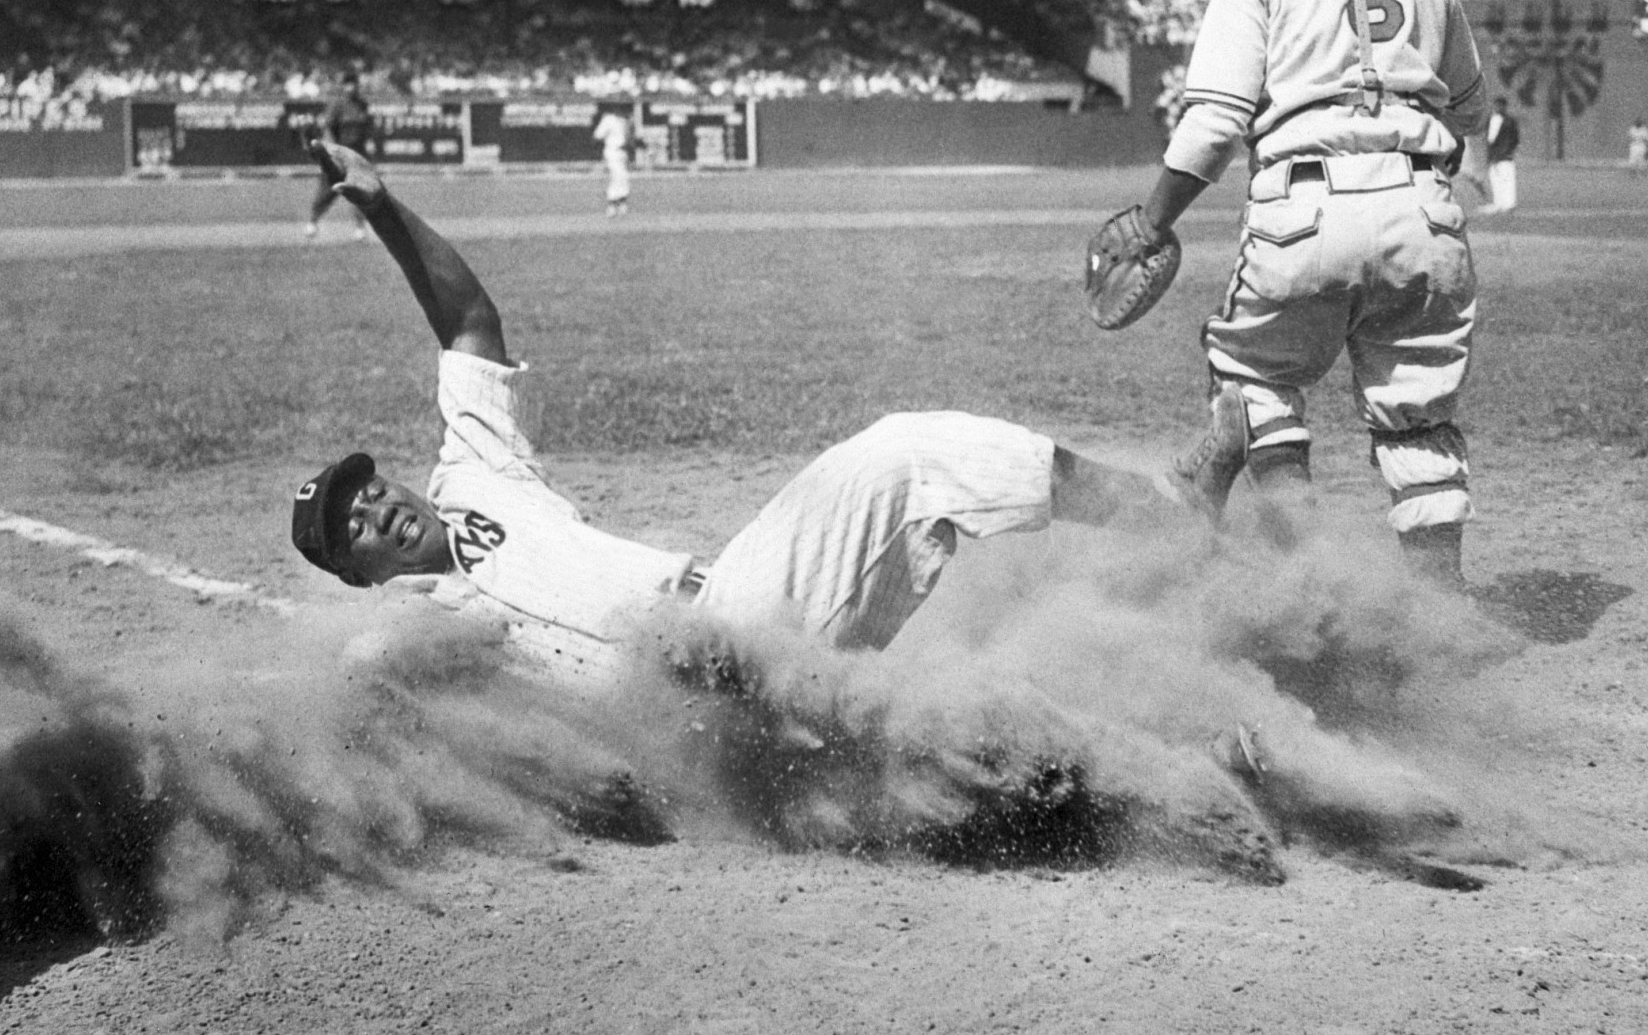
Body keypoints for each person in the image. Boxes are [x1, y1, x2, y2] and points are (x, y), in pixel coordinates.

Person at [290, 139, 1170, 661]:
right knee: (941, 738)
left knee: (908, 453)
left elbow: (471, 326)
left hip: (736, 627)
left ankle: (1163, 517)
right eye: (352, 527)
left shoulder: (474, 476)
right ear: (354, 573)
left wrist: (386, 210)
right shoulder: (404, 640)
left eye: (368, 490)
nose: (375, 509)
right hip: (691, 734)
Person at [1107, 0, 1492, 589]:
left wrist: (1152, 222)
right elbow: (1472, 107)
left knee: (1253, 386)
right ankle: (1439, 623)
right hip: (1424, 210)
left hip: (1306, 204)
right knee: (1419, 421)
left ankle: (1317, 586)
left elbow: (1214, 125)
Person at [306, 72, 375, 240]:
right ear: (343, 86)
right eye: (347, 84)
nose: (351, 87)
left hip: (357, 155)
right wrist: (332, 151)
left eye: (353, 83)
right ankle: (313, 222)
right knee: (327, 191)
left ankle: (360, 228)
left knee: (359, 192)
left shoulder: (362, 105)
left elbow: (366, 127)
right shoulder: (337, 104)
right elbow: (328, 127)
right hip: (339, 155)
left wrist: (369, 142)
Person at [591, 106, 636, 217]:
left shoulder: (627, 120)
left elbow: (630, 138)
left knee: (623, 177)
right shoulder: (609, 119)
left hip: (624, 151)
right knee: (618, 175)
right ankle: (613, 204)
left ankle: (620, 204)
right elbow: (597, 135)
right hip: (613, 151)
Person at [1482, 94, 1521, 215]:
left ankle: (1509, 204)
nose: (1497, 107)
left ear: (1504, 107)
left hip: (1505, 155)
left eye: (1500, 105)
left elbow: (1515, 138)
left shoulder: (1510, 121)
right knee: (1495, 180)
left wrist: (1508, 151)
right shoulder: (1490, 119)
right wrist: (1489, 156)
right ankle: (1498, 203)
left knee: (1507, 178)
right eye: (1496, 105)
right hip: (1494, 155)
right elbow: (1489, 139)